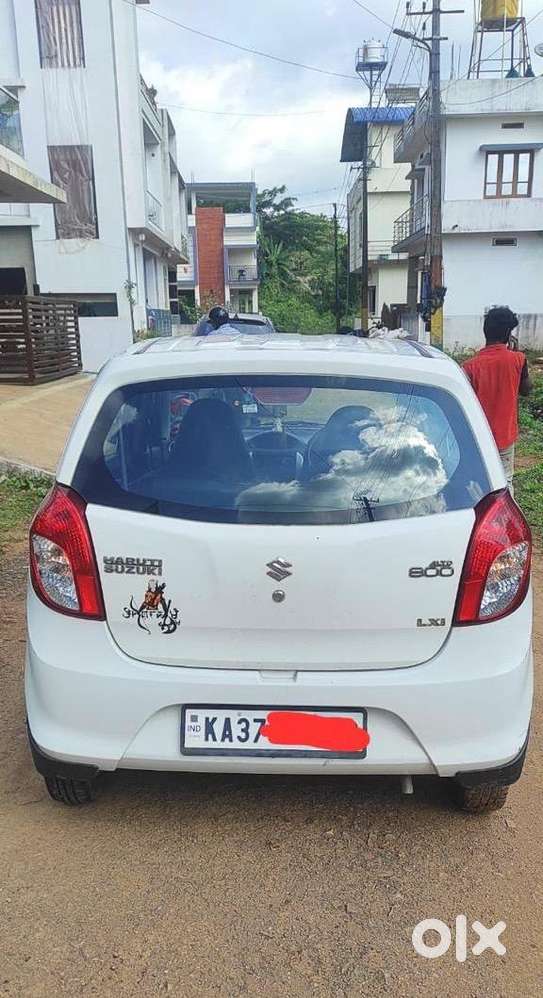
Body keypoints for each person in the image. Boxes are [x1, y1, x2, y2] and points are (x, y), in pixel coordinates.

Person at [463, 307, 532, 491]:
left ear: (485, 331)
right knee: (504, 481)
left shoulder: (470, 366)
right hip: (505, 436)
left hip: (478, 436)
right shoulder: (519, 359)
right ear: (509, 333)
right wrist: (517, 357)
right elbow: (526, 390)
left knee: (478, 480)